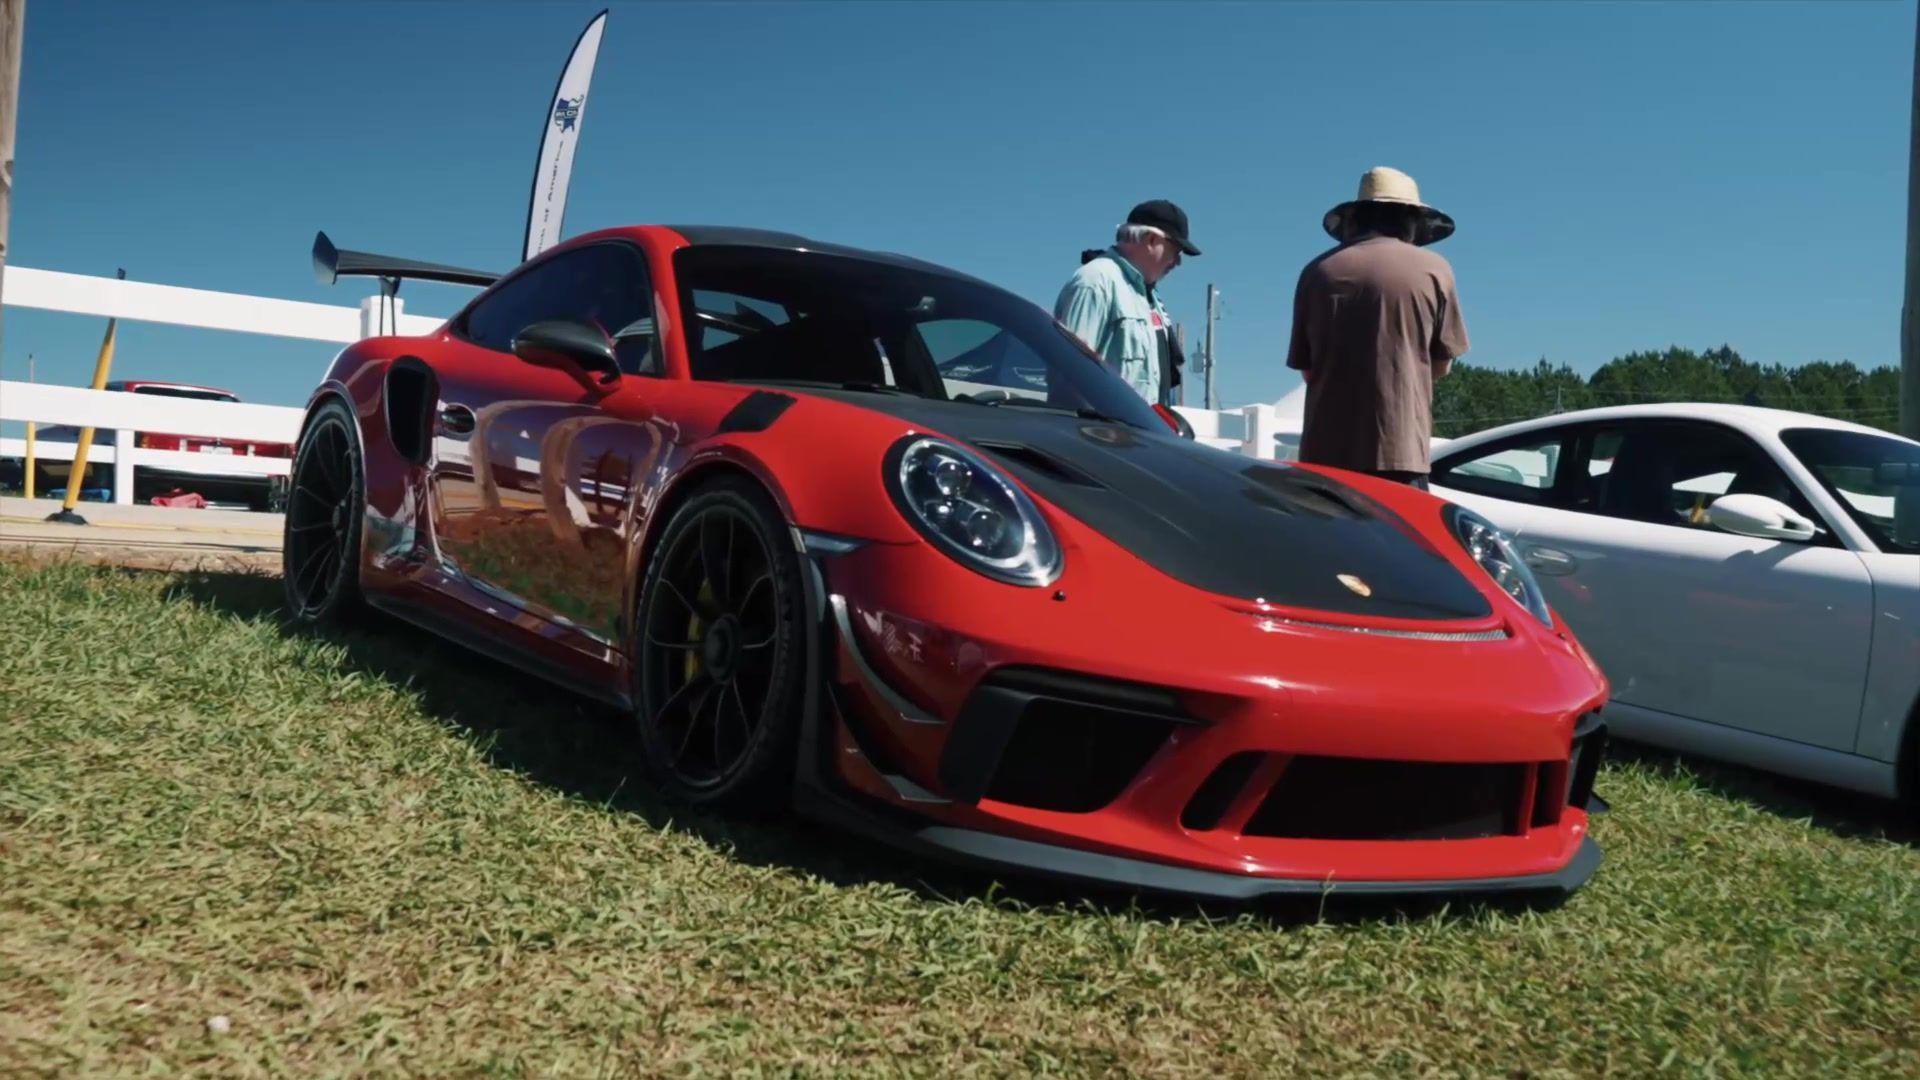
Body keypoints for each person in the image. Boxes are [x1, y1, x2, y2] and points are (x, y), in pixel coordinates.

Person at [1285, 167, 1469, 488]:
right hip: (1400, 450)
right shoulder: (1435, 270)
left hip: (1326, 453)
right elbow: (1441, 365)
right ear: (1412, 220)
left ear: (1355, 218)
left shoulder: (1317, 272)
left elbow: (1308, 370)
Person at [1055, 199, 1200, 406]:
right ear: (1151, 240)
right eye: (1176, 252)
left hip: (1140, 432)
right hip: (1104, 433)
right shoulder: (1096, 281)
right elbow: (1071, 376)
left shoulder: (1146, 295)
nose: (1178, 262)